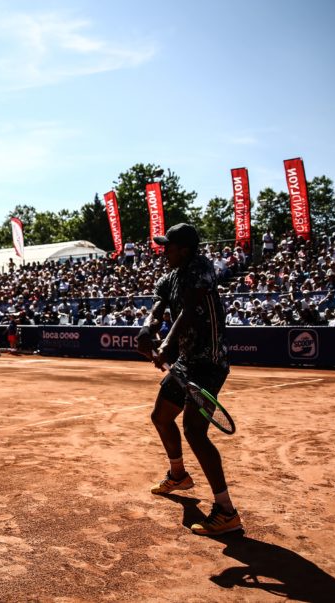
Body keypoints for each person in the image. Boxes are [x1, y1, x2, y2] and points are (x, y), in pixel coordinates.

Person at [135, 223, 242, 536]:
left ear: (184, 249)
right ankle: (179, 475)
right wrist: (147, 328)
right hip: (186, 362)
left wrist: (165, 346)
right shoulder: (170, 276)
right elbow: (158, 306)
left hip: (209, 361)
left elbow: (192, 310)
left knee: (195, 432)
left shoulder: (201, 269)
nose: (163, 250)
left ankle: (226, 511)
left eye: (168, 245)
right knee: (161, 417)